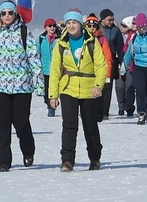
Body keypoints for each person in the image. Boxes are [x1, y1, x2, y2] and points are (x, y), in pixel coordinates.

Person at [0, 0, 43, 171]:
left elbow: (34, 58)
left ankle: (28, 150)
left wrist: (39, 84)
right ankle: (3, 161)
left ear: (15, 14)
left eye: (10, 13)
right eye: (3, 13)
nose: (7, 16)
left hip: (22, 85)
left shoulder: (24, 32)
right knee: (3, 124)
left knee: (21, 122)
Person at [48, 10, 107, 171]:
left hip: (89, 88)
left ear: (80, 24)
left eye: (74, 22)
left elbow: (101, 65)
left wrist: (98, 85)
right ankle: (67, 160)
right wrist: (52, 95)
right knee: (69, 125)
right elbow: (54, 70)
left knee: (90, 125)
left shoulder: (91, 41)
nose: (71, 26)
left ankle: (95, 158)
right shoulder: (61, 44)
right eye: (68, 23)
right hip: (68, 88)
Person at [100, 10, 131, 118]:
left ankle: (104, 113)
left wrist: (122, 62)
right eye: (109, 20)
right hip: (97, 62)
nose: (111, 22)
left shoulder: (115, 30)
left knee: (107, 88)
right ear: (102, 19)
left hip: (110, 62)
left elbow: (120, 48)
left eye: (113, 19)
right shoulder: (97, 28)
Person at [84, 13, 114, 121]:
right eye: (89, 25)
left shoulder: (101, 40)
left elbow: (108, 58)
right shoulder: (81, 39)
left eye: (94, 26)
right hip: (86, 71)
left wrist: (108, 73)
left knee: (101, 95)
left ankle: (102, 113)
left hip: (99, 70)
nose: (92, 28)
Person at [38, 18, 60, 117]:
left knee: (56, 89)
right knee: (46, 91)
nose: (52, 28)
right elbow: (36, 53)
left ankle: (51, 108)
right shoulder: (40, 39)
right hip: (45, 69)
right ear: (46, 27)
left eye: (54, 26)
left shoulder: (59, 39)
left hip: (57, 69)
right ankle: (49, 104)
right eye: (50, 26)